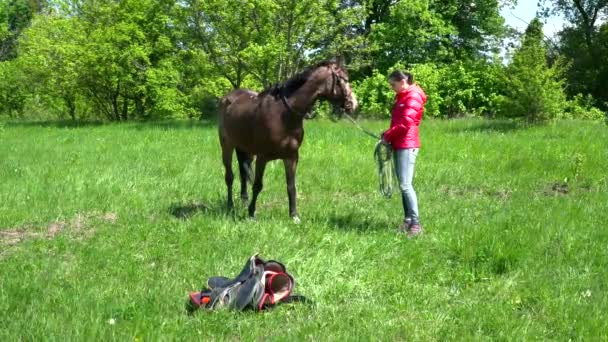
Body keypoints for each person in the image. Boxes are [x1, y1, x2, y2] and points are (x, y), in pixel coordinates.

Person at [381, 70, 427, 238]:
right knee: (403, 185)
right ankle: (408, 220)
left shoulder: (413, 96)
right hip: (400, 143)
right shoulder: (403, 96)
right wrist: (388, 135)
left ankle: (416, 224)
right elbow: (399, 122)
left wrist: (388, 135)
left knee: (406, 185)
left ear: (402, 81)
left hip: (407, 144)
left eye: (393, 84)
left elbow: (407, 122)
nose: (392, 88)